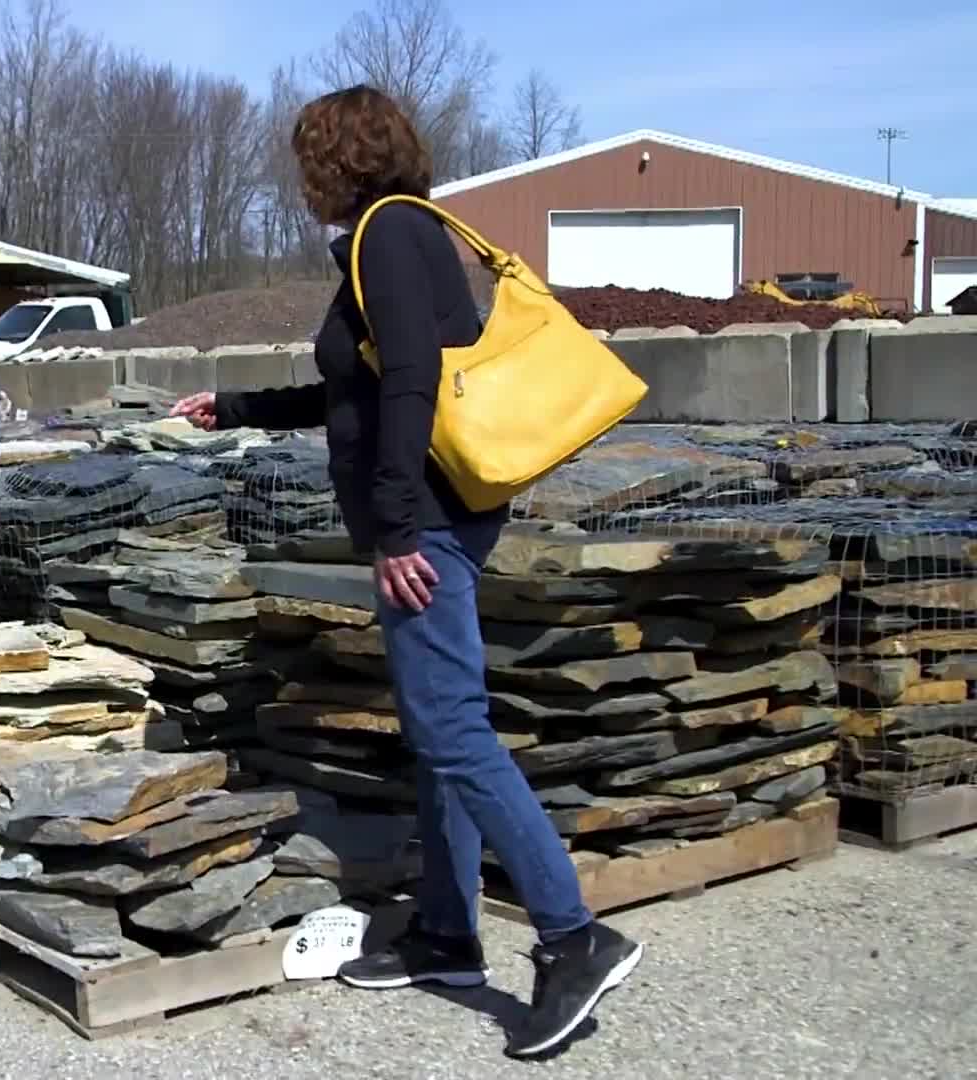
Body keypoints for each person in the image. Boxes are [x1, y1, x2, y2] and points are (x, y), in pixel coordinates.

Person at [170, 86, 643, 1059]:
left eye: (306, 159)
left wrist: (393, 527)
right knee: (439, 732)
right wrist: (239, 407)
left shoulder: (387, 233)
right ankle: (446, 934)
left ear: (335, 159)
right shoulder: (402, 232)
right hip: (437, 516)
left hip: (424, 523)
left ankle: (572, 937)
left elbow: (416, 385)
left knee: (453, 730)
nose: (299, 179)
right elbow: (357, 387)